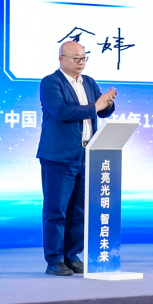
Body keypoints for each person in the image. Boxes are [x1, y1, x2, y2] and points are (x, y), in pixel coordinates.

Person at [36, 41, 117, 276]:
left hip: (86, 154)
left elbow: (101, 110)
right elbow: (61, 112)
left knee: (79, 211)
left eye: (83, 58)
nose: (81, 63)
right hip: (58, 157)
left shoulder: (89, 82)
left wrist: (108, 102)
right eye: (76, 59)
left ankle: (71, 256)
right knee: (56, 210)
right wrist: (96, 105)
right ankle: (54, 260)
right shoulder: (51, 82)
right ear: (61, 59)